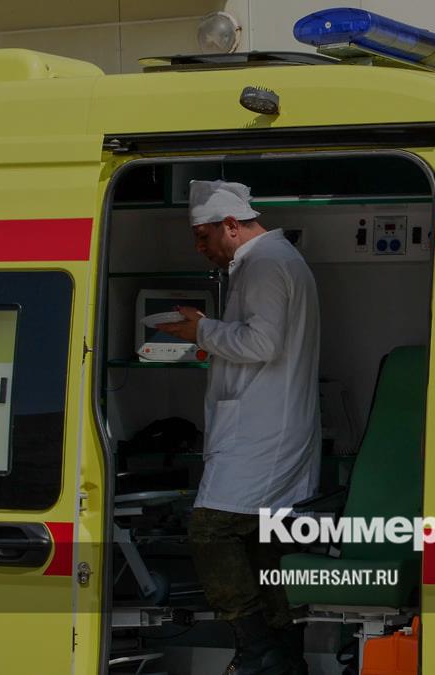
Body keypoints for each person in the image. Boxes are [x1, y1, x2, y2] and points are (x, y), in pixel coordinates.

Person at [158, 180, 320, 675]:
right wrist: (205, 331)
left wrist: (201, 331)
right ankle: (283, 656)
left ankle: (256, 649)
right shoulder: (269, 261)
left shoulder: (267, 264)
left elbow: (262, 343)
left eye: (203, 236)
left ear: (231, 225)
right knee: (259, 549)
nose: (199, 247)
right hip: (266, 429)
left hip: (261, 435)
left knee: (211, 530)